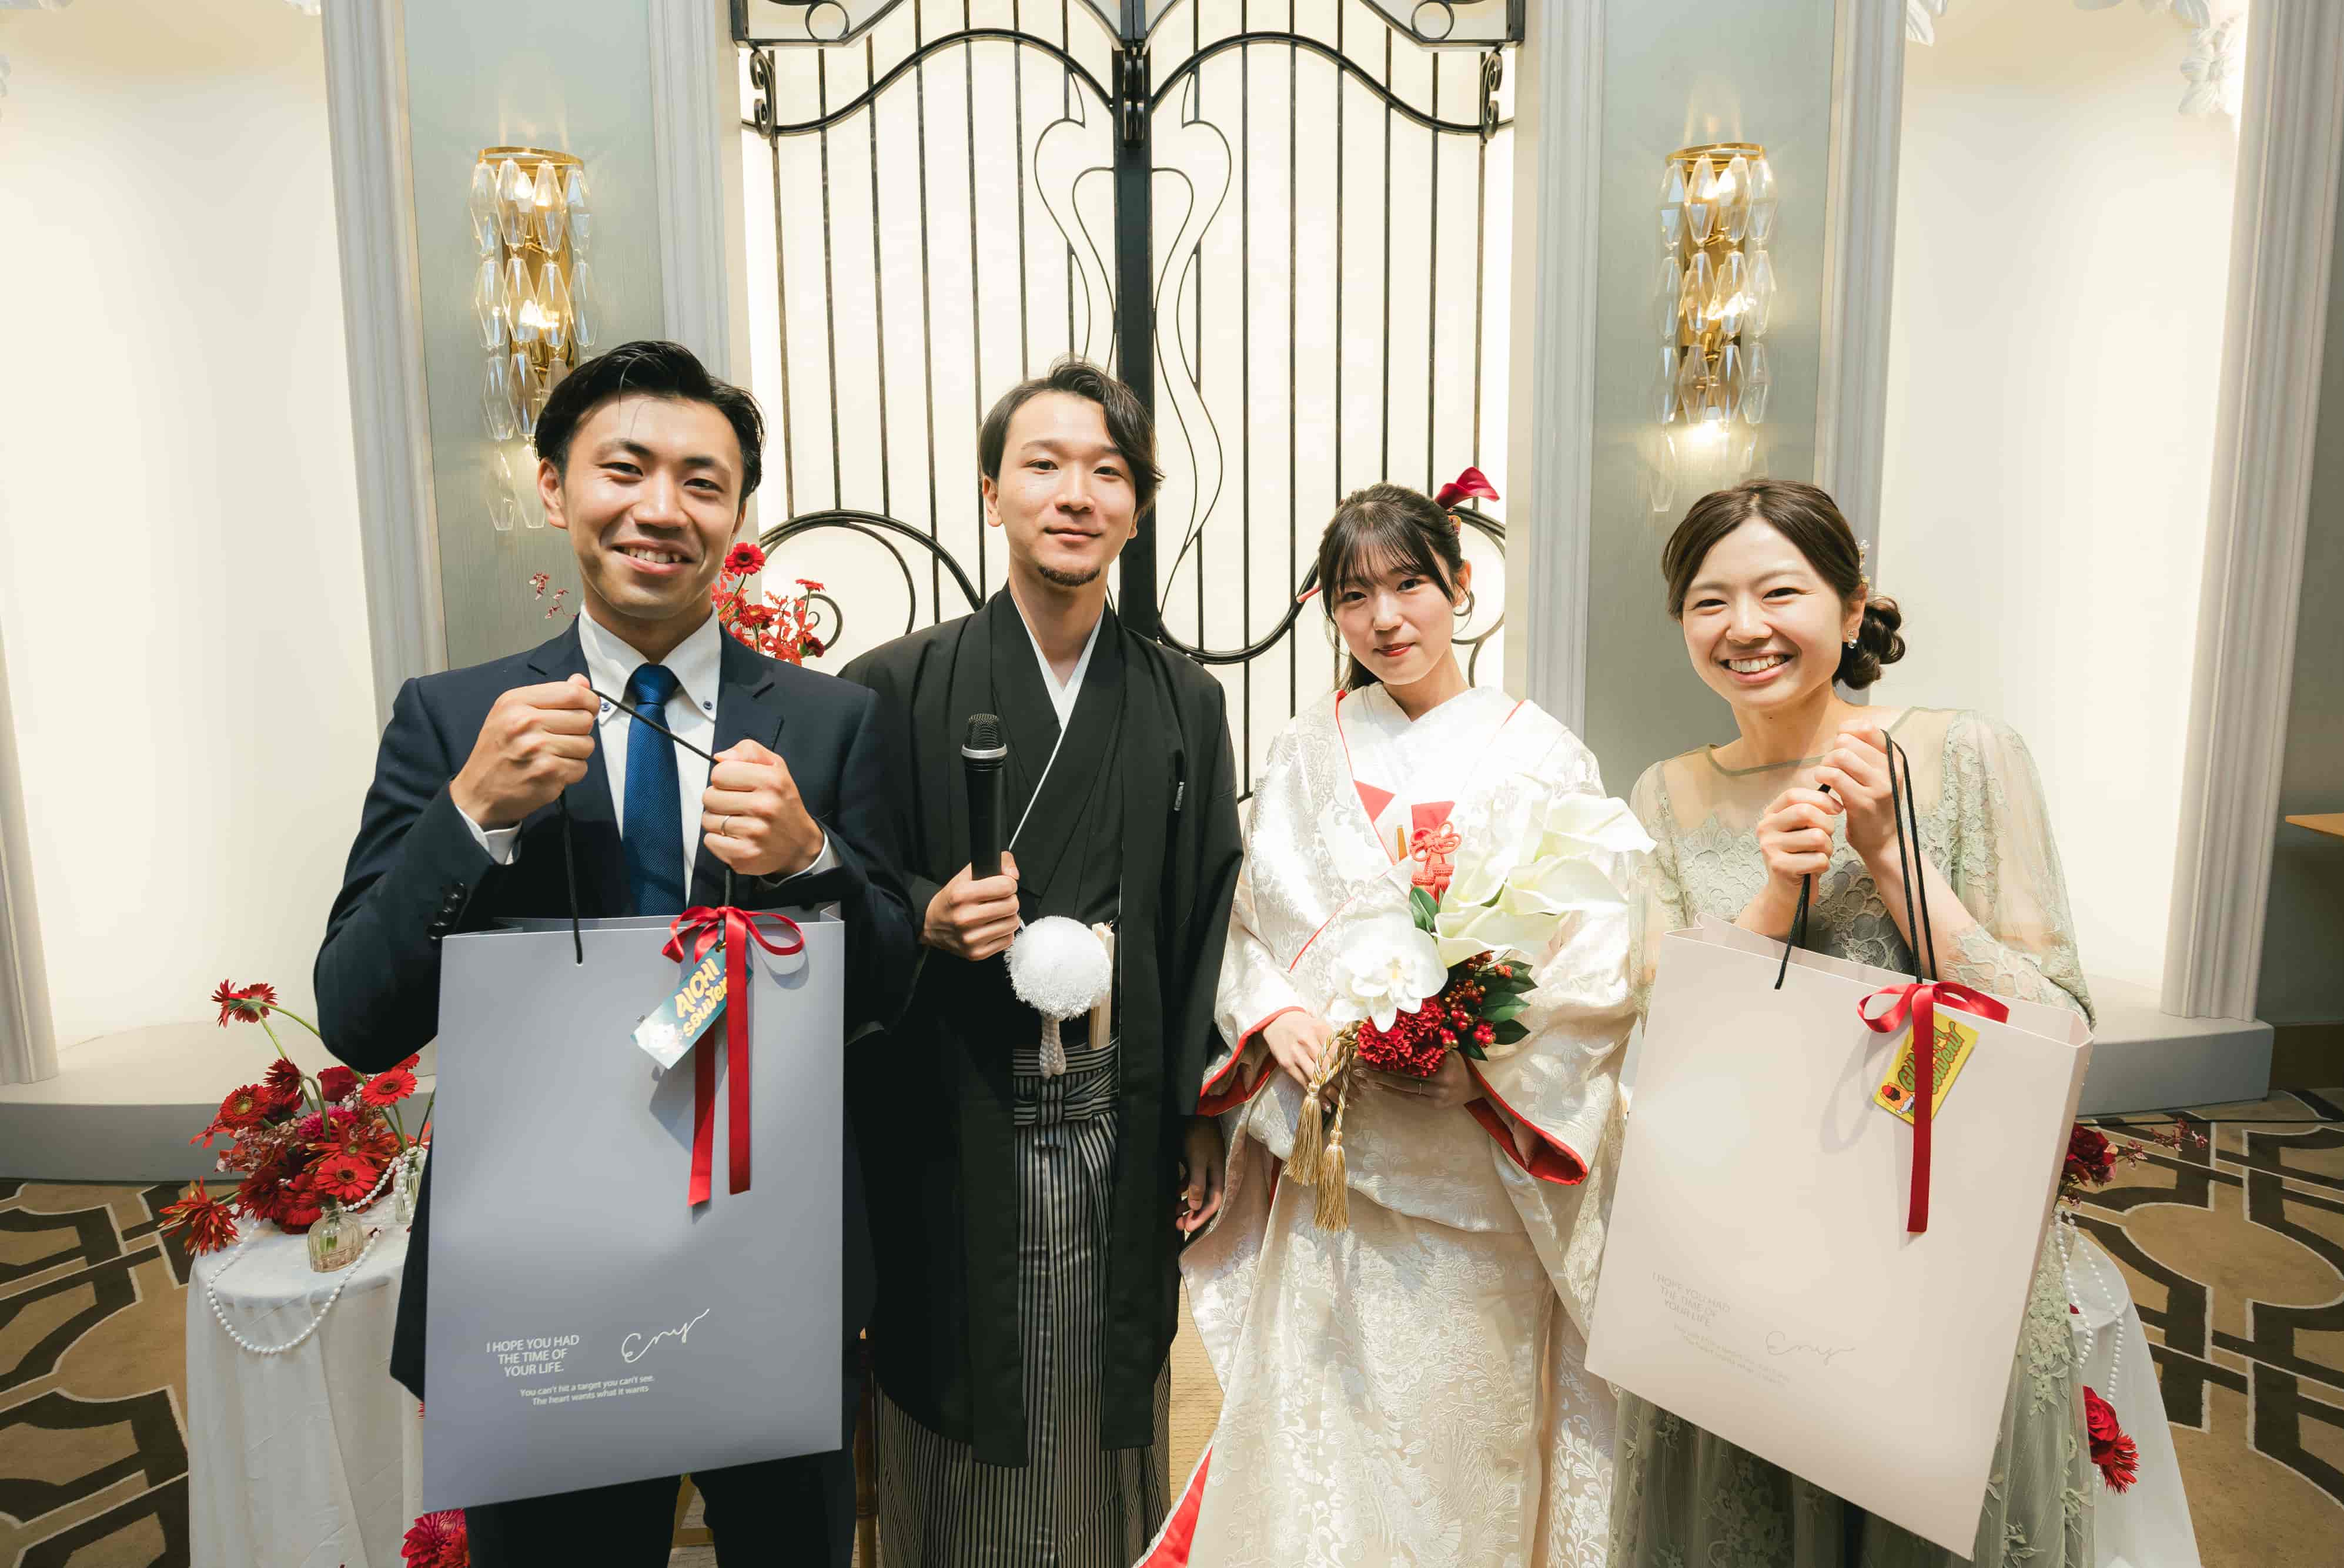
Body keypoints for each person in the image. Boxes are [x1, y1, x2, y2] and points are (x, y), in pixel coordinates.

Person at [315, 340, 915, 1567]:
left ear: (737, 520)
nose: (661, 508)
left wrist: (812, 862)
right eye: (624, 469)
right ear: (554, 486)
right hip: (541, 1272)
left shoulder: (832, 722)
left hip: (768, 1258)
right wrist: (470, 814)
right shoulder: (452, 718)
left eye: (703, 481)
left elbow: (894, 987)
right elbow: (359, 1015)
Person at [1582, 477, 2105, 1568]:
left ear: (1854, 607)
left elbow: (2055, 1024)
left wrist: (1889, 853)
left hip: (1934, 1241)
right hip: (1744, 1254)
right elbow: (1667, 1043)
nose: (1745, 627)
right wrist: (1776, 893)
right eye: (1710, 602)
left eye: (1781, 592)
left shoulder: (1967, 754)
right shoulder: (1665, 797)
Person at [1142, 482, 1644, 1567]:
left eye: (1411, 583)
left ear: (1461, 585)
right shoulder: (1305, 750)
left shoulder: (1542, 753)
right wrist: (1273, 1011)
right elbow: (1244, 918)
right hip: (1339, 1164)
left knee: (1470, 1448)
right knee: (1326, 1433)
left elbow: (1601, 949)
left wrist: (1488, 1066)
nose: (1385, 618)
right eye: (1354, 594)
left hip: (1479, 1165)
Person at [839, 357, 1245, 1567]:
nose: (1076, 494)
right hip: (953, 1111)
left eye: (1108, 472)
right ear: (991, 492)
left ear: (1137, 507)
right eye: (1044, 464)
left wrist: (1202, 1109)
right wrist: (924, 916)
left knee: (1102, 1391)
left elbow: (1208, 907)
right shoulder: (891, 686)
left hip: (1121, 1113)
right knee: (962, 1390)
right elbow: (843, 893)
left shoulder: (1181, 700)